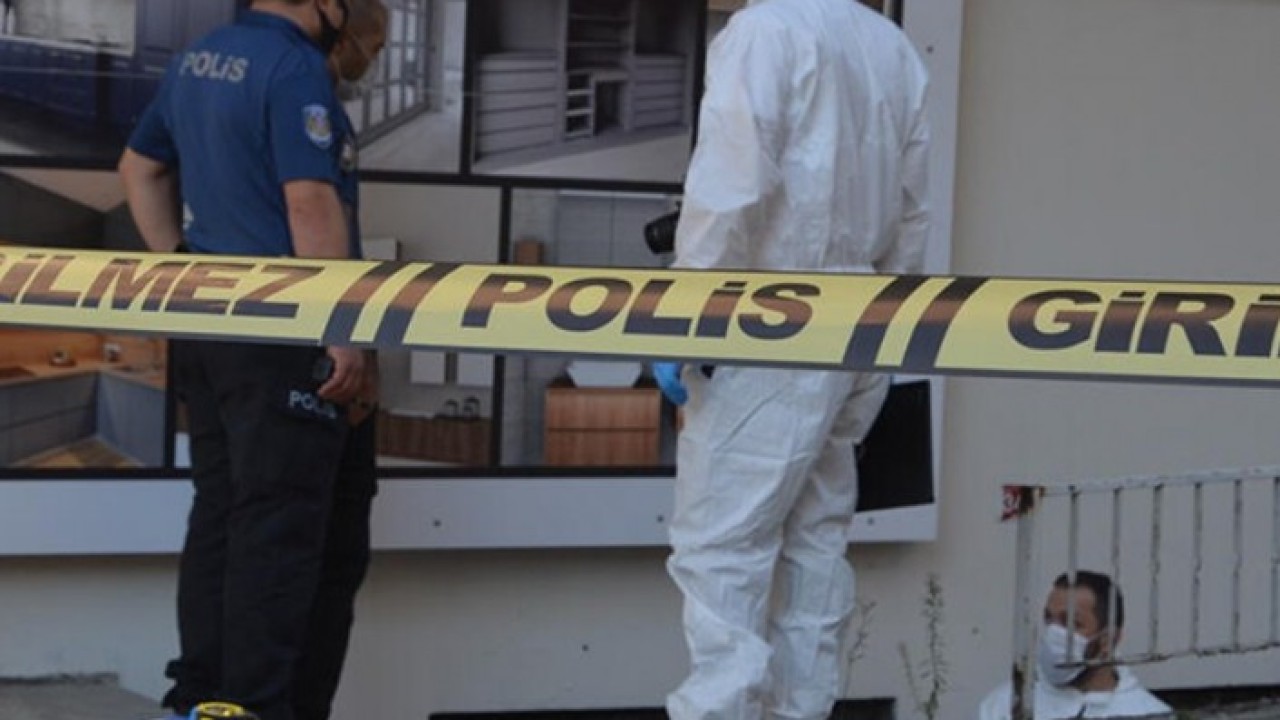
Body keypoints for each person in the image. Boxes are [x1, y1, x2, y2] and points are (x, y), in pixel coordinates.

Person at [650, 1, 932, 718]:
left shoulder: (765, 31)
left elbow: (731, 186)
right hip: (859, 320)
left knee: (723, 548)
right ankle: (803, 709)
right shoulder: (889, 45)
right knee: (815, 537)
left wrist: (685, 322)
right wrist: (885, 324)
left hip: (769, 320)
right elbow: (912, 209)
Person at [117, 1, 386, 719]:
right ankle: (255, 707)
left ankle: (198, 701)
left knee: (222, 511)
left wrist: (179, 272)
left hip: (209, 328)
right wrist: (341, 329)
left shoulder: (199, 58)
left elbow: (139, 168)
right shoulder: (294, 67)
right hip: (283, 333)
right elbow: (309, 203)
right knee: (281, 530)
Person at [978, 571, 1173, 720]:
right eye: (1049, 619)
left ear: (1108, 639)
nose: (1054, 633)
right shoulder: (1005, 705)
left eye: (1072, 623)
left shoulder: (1149, 714)